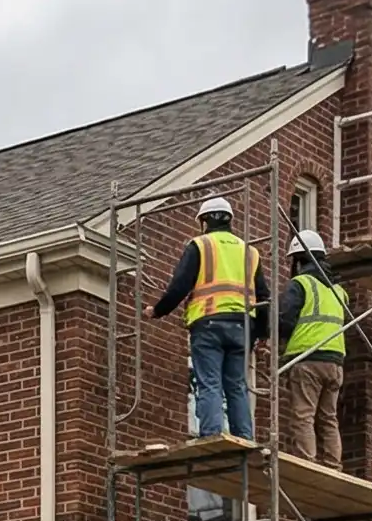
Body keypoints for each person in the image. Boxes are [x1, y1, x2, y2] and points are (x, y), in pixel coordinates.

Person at [148, 195, 268, 441]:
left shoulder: (200, 245)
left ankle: (211, 434)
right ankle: (244, 436)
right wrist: (261, 333)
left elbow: (180, 286)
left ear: (203, 221)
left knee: (210, 382)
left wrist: (158, 310)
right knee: (236, 385)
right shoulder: (250, 252)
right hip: (241, 328)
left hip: (209, 324)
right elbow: (264, 297)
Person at [273, 229, 349, 469]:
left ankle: (308, 463)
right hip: (335, 363)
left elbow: (285, 320)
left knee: (303, 415)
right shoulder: (340, 291)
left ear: (298, 259)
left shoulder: (301, 283)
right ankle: (333, 465)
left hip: (308, 359)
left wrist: (271, 337)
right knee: (328, 418)